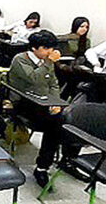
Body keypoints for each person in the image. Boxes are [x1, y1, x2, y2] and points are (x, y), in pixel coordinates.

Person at [7, 30, 64, 187]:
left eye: (51, 48)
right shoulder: (20, 60)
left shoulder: (46, 61)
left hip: (44, 102)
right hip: (23, 103)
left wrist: (56, 102)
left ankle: (51, 163)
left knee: (63, 119)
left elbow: (53, 83)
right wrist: (49, 63)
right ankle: (42, 167)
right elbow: (34, 79)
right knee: (56, 124)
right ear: (34, 48)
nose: (50, 52)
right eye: (46, 48)